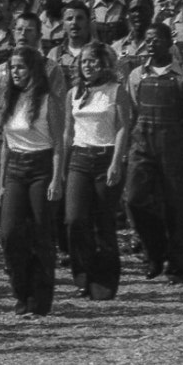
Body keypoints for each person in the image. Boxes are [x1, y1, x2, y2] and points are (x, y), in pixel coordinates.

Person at [125, 23, 183, 284]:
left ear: (169, 42)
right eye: (147, 39)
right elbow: (131, 113)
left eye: (157, 39)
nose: (151, 44)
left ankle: (177, 268)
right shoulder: (137, 75)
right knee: (134, 200)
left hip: (173, 146)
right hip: (142, 144)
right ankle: (155, 252)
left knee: (176, 208)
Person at [0, 47, 64, 315]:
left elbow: (59, 143)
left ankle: (40, 298)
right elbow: (5, 144)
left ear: (33, 70)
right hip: (15, 168)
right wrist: (1, 183)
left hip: (42, 166)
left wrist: (56, 179)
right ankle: (20, 291)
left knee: (41, 234)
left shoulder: (49, 101)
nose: (15, 73)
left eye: (21, 67)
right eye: (12, 68)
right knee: (9, 233)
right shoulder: (9, 100)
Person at [62, 44, 131, 300]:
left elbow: (124, 126)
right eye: (84, 61)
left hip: (106, 158)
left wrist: (117, 161)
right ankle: (82, 274)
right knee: (74, 220)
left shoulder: (116, 91)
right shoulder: (73, 94)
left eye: (93, 61)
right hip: (79, 159)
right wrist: (62, 166)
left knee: (103, 223)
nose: (88, 66)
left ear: (104, 63)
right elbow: (68, 131)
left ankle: (104, 281)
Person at [47, 2, 94, 89]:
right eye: (69, 19)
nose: (74, 22)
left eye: (79, 18)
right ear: (63, 25)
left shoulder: (101, 51)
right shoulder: (54, 54)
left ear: (88, 22)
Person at [112, 0, 155, 80]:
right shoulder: (116, 48)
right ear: (128, 14)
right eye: (133, 10)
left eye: (142, 10)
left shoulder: (164, 46)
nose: (138, 14)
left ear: (152, 13)